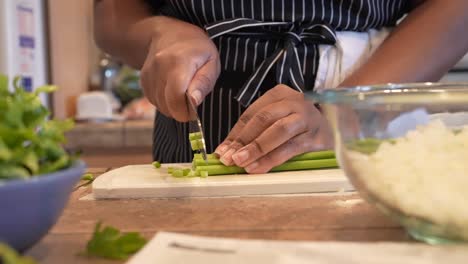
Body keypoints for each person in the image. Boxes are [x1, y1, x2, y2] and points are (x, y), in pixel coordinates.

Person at [94, 0, 468, 173]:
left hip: (366, 117)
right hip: (190, 149)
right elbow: (112, 16)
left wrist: (342, 111)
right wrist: (158, 34)